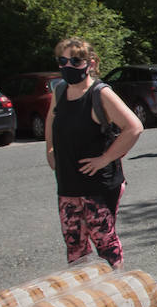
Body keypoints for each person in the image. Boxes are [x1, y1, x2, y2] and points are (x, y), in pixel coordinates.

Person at [44, 38, 144, 268]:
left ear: (91, 63)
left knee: (105, 245)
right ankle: (87, 297)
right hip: (68, 183)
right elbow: (51, 118)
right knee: (75, 247)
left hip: (98, 185)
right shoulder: (59, 91)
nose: (68, 66)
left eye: (76, 61)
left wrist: (106, 158)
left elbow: (134, 127)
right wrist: (49, 149)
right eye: (63, 60)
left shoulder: (100, 94)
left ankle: (114, 293)